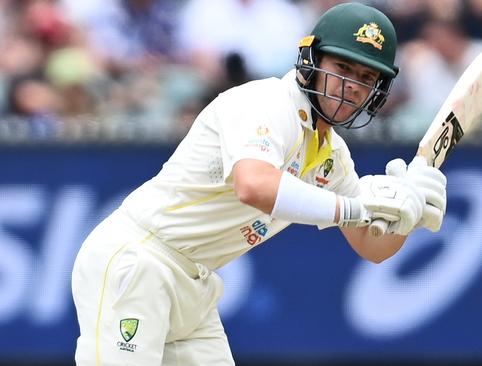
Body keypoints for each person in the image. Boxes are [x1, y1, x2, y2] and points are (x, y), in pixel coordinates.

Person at [71, 3, 448, 365]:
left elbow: (372, 245)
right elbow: (253, 185)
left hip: (195, 284)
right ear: (312, 61)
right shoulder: (266, 103)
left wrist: (408, 209)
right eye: (343, 67)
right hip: (140, 260)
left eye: (366, 78)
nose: (351, 86)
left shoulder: (332, 154)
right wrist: (357, 207)